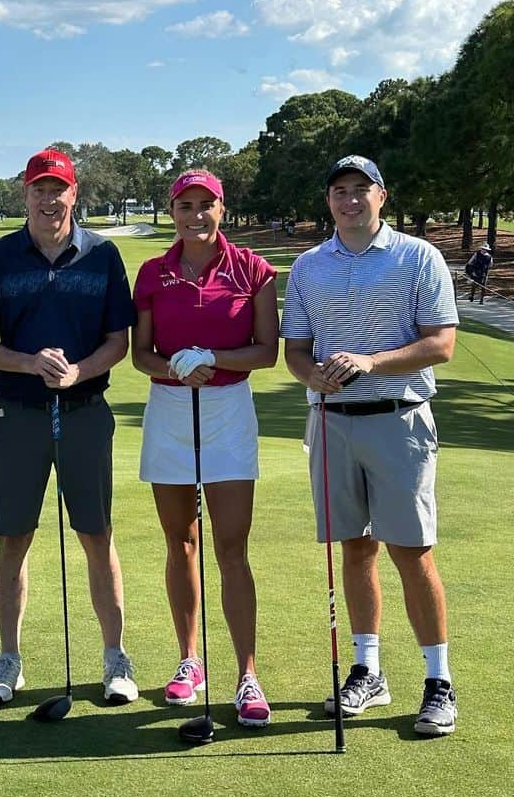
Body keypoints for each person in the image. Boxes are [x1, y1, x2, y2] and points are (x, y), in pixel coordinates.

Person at [282, 155, 460, 736]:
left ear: (382, 196)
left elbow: (441, 344)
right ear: (328, 200)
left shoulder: (418, 256)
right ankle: (369, 671)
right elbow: (296, 351)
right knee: (354, 550)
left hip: (399, 419)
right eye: (339, 191)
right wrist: (314, 377)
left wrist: (370, 362)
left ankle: (438, 681)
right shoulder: (309, 266)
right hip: (332, 421)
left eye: (362, 189)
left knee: (412, 551)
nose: (350, 200)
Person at [0, 148, 139, 707]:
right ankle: (9, 658)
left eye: (57, 189)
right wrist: (30, 363)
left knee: (96, 535)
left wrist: (78, 373)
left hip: (87, 411)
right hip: (16, 414)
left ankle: (115, 657)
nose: (48, 199)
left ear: (74, 194)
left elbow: (119, 340)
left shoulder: (103, 256)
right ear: (25, 194)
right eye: (38, 189)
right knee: (14, 537)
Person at [131, 170, 279, 727]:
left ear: (222, 208)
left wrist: (211, 359)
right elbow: (139, 353)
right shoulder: (153, 272)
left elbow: (266, 352)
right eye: (185, 204)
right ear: (172, 210)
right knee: (181, 540)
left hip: (228, 410)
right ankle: (189, 660)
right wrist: (174, 367)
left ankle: (246, 674)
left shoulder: (253, 270)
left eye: (206, 204)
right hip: (168, 410)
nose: (196, 214)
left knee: (232, 545)